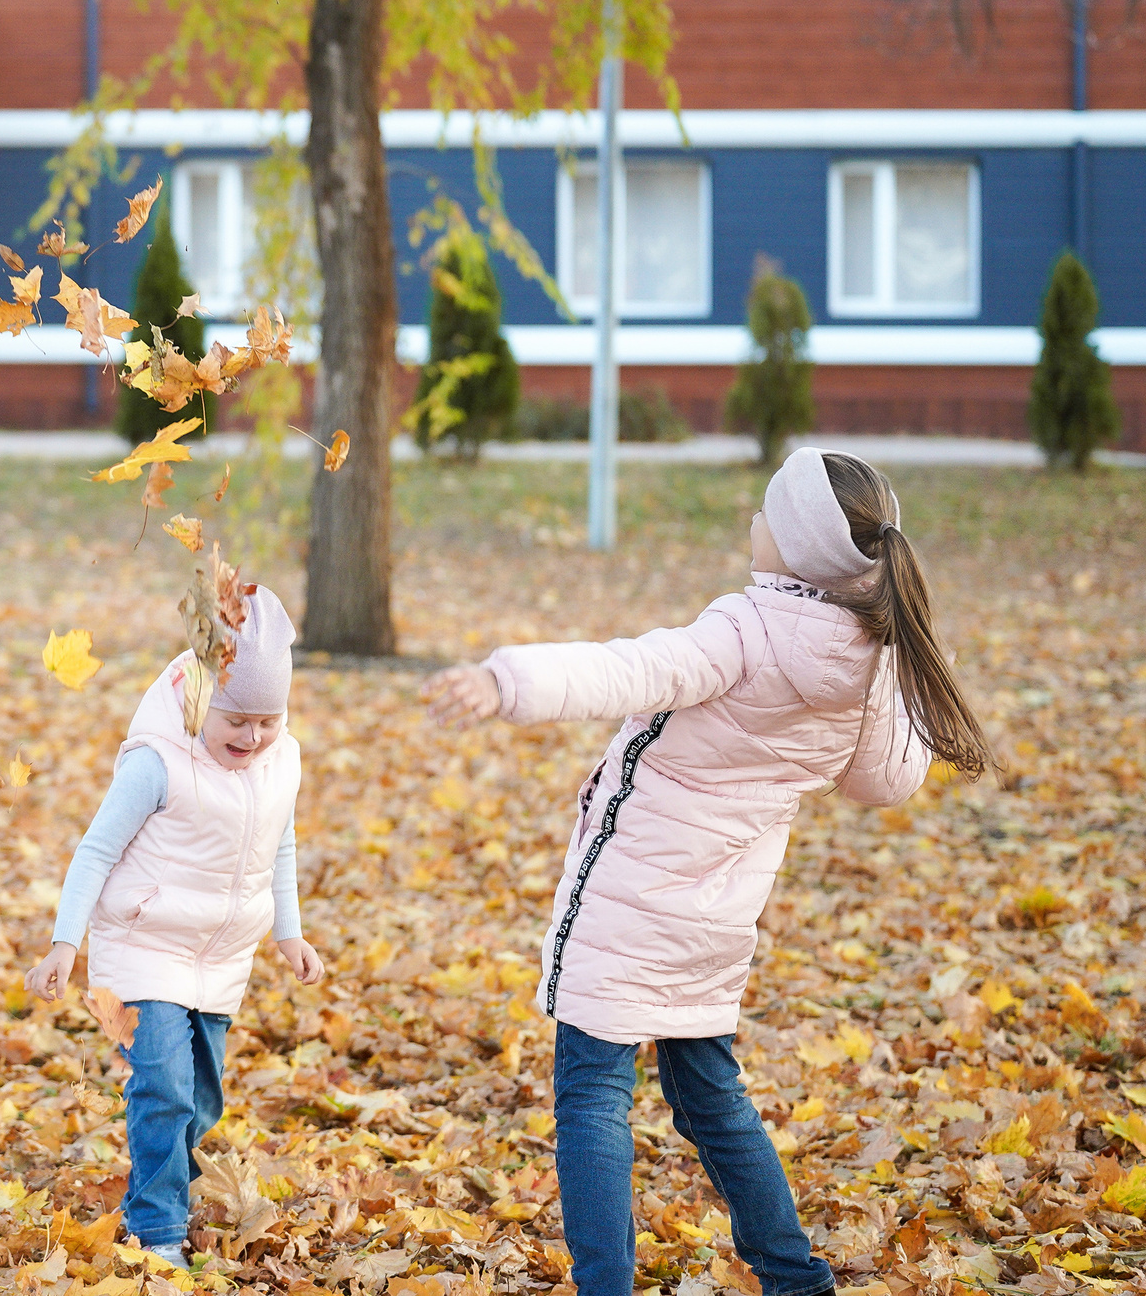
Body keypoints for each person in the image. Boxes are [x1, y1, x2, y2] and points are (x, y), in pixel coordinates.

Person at [421, 447, 990, 1296]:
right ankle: (794, 1278)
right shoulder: (865, 665)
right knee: (712, 1101)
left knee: (590, 1099)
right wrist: (895, 667)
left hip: (628, 903)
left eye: (765, 513)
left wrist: (507, 680)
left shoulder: (743, 630)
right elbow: (885, 781)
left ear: (794, 549)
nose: (751, 523)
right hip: (719, 921)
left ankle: (606, 1285)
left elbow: (631, 667)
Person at [24, 587, 326, 1272]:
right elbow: (95, 850)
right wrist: (65, 945)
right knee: (162, 1084)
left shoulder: (281, 760)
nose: (251, 738)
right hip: (142, 944)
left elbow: (280, 843)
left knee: (203, 1096)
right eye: (236, 719)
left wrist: (290, 931)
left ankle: (169, 1178)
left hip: (221, 956)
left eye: (267, 720)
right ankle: (156, 1227)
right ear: (198, 698)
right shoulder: (156, 760)